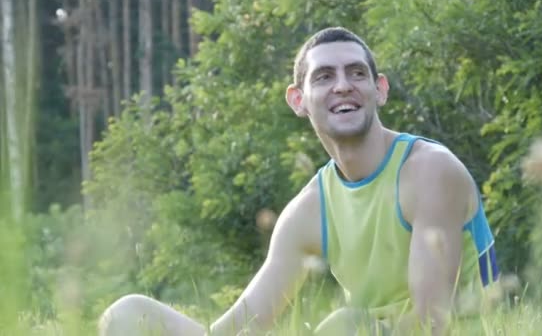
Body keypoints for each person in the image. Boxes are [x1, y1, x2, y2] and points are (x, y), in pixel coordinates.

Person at [99, 26, 499, 336]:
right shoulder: (309, 211)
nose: (343, 84)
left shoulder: (429, 170)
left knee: (344, 325)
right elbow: (237, 331)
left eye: (356, 73)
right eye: (324, 76)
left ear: (380, 90)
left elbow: (434, 324)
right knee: (127, 313)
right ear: (298, 100)